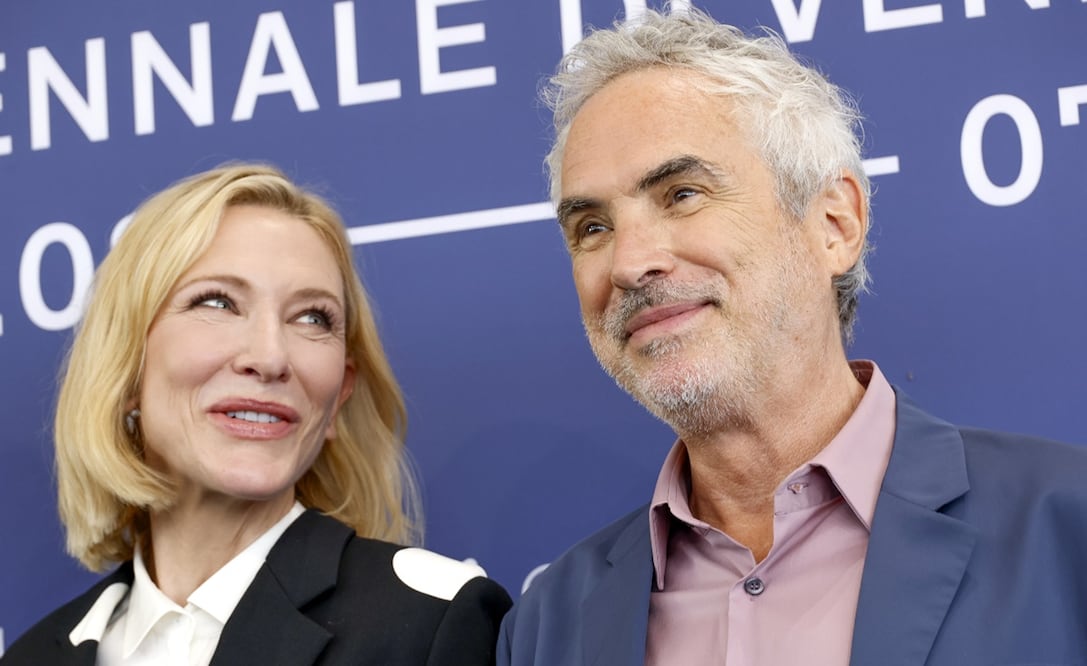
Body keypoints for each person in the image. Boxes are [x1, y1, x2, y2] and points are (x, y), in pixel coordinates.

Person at [498, 7, 1087, 666]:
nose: (629, 263)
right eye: (592, 229)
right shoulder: (547, 628)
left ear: (834, 223)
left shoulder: (1066, 529)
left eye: (682, 194)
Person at [3, 164, 511, 665]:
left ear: (338, 396)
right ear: (126, 367)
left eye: (312, 317)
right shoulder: (32, 658)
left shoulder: (430, 624)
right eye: (218, 302)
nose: (270, 358)